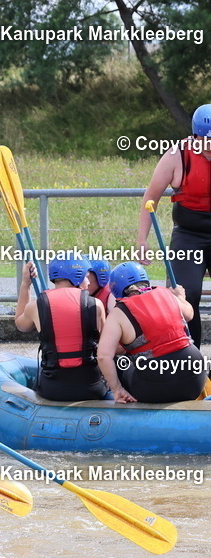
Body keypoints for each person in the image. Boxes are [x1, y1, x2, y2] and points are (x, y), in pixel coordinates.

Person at [138, 103, 211, 346]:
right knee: (184, 294)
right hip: (189, 234)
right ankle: (190, 360)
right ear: (195, 136)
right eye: (206, 140)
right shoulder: (176, 155)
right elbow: (151, 198)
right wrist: (142, 240)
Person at [97, 262, 206, 403]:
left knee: (120, 362)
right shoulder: (167, 294)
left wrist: (117, 389)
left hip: (155, 389)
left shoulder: (118, 313)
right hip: (195, 382)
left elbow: (103, 357)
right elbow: (189, 314)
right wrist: (180, 297)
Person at [14, 255, 109, 401]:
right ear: (77, 276)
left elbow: (21, 325)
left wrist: (25, 284)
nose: (89, 282)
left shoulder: (36, 305)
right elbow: (106, 349)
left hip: (51, 389)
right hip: (92, 388)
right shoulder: (96, 305)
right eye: (86, 277)